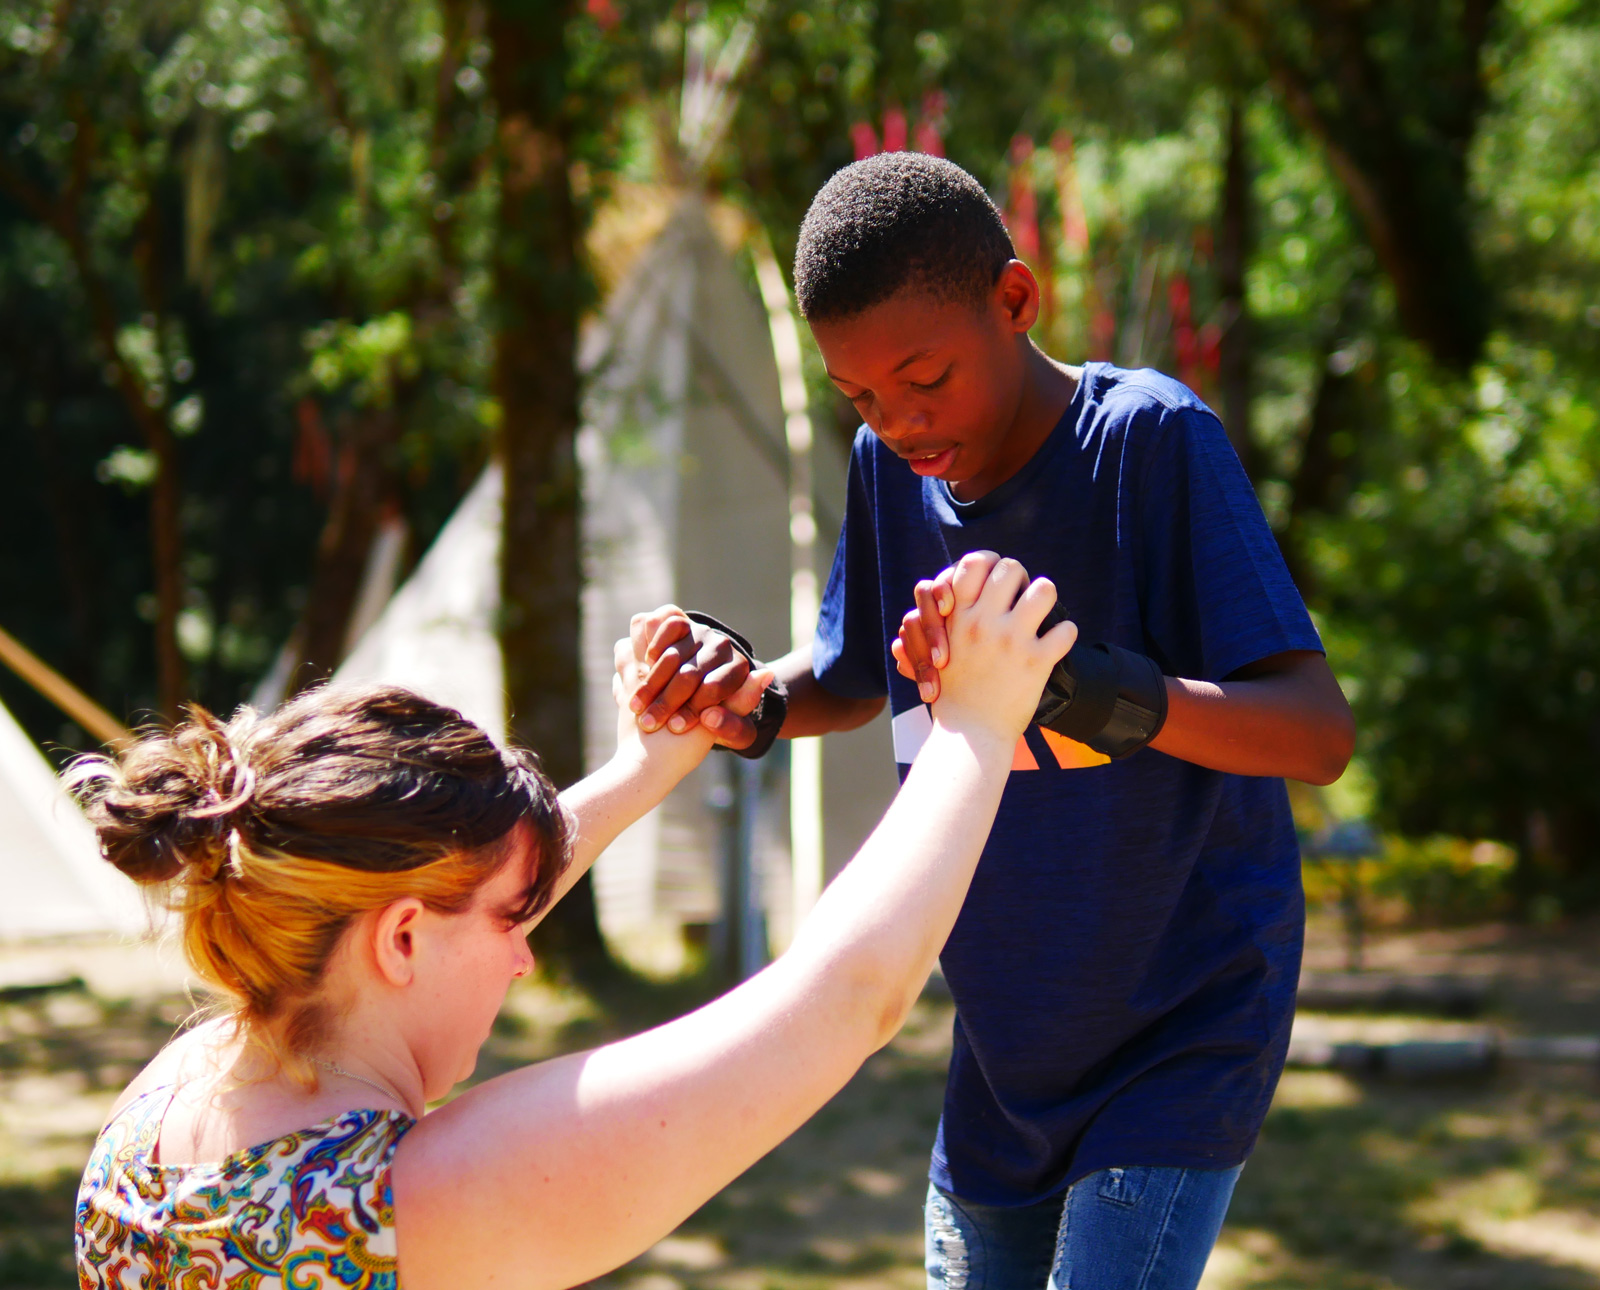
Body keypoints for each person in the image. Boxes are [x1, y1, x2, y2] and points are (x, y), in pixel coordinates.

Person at [625, 151, 1356, 1290]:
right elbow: (853, 677)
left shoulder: (1148, 444)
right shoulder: (887, 469)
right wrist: (744, 700)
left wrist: (1091, 693)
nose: (900, 421)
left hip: (1180, 1025)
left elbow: (1314, 733)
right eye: (860, 396)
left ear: (1014, 303)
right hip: (1008, 1044)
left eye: (925, 378)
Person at [71, 556, 1076, 1290]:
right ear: (402, 940)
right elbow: (844, 999)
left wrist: (649, 771)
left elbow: (422, 897)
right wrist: (977, 726)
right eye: (516, 920)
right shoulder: (402, 1208)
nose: (522, 958)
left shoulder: (158, 1119)